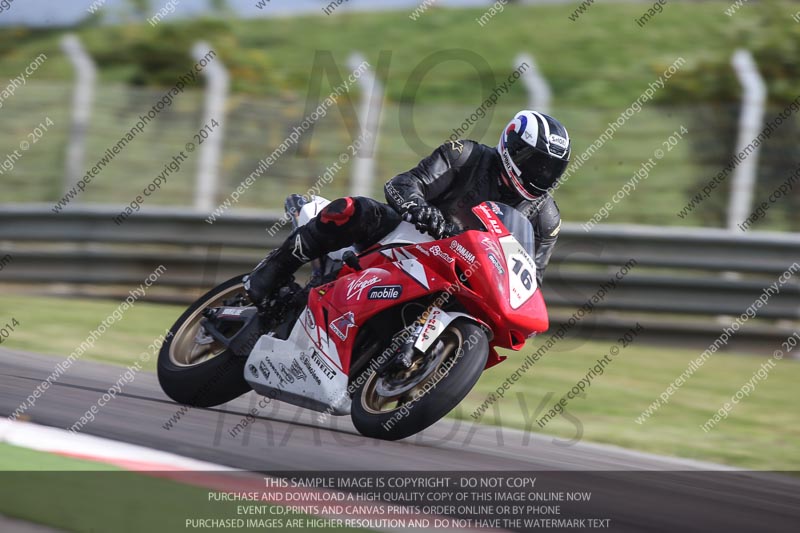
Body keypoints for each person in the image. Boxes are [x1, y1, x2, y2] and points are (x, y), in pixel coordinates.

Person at [244, 110, 571, 309]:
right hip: (408, 237)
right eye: (536, 164)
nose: (541, 175)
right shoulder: (465, 155)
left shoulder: (545, 216)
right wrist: (424, 212)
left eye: (550, 170)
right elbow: (402, 185)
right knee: (350, 210)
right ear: (513, 146)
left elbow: (531, 279)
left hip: (461, 278)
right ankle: (270, 272)